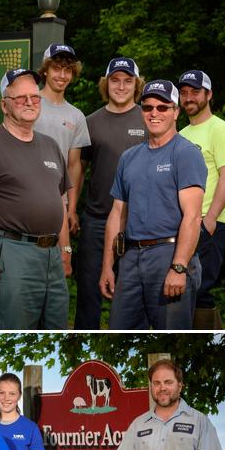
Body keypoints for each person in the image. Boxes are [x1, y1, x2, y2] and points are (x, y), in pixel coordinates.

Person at [0, 68, 72, 329]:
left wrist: (66, 251)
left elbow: (60, 202)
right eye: (20, 97)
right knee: (14, 326)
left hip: (52, 255)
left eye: (35, 98)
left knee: (56, 330)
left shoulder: (50, 145)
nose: (29, 102)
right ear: (4, 105)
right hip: (14, 251)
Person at [98, 80, 207, 329]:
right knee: (120, 330)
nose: (154, 113)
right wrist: (107, 266)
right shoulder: (129, 157)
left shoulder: (186, 153)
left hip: (169, 254)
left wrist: (179, 268)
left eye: (162, 107)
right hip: (131, 257)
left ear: (176, 111)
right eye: (147, 108)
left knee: (170, 334)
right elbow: (117, 214)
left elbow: (192, 217)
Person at [74, 57, 146, 329]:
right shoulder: (90, 122)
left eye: (128, 81)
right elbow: (78, 169)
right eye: (115, 80)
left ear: (136, 85)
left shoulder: (148, 117)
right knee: (89, 295)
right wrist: (70, 209)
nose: (121, 86)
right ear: (106, 83)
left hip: (138, 222)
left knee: (132, 296)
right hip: (97, 218)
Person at [178, 69, 225, 330]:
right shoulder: (180, 134)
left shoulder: (221, 130)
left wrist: (211, 219)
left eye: (195, 92)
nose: (189, 98)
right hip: (184, 224)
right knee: (184, 290)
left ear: (209, 94)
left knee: (200, 289)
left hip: (210, 223)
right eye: (184, 93)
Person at [35, 44, 90, 242]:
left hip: (59, 202)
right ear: (45, 70)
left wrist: (71, 207)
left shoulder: (76, 116)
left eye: (67, 70)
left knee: (60, 264)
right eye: (56, 69)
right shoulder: (30, 105)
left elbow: (74, 165)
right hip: (27, 196)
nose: (62, 75)